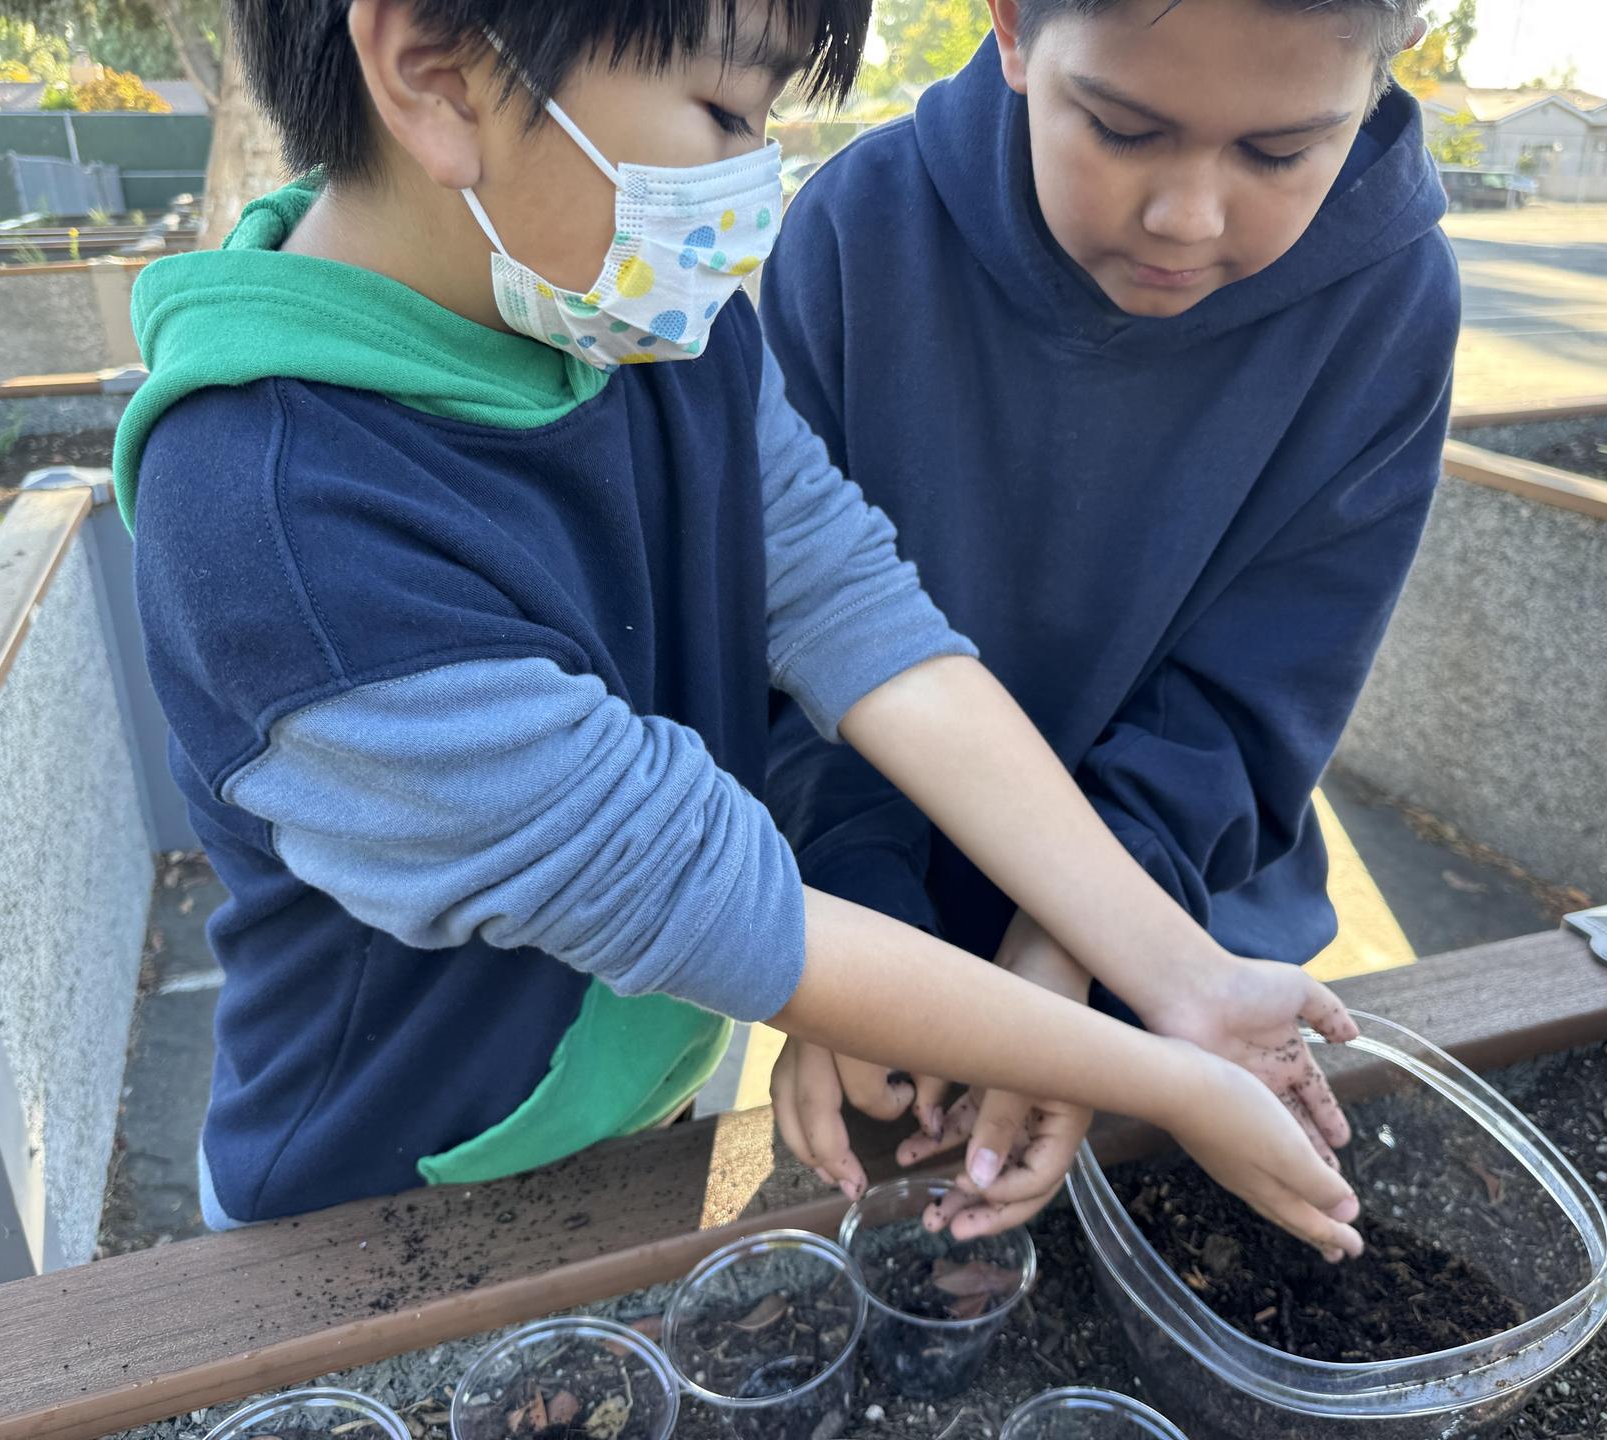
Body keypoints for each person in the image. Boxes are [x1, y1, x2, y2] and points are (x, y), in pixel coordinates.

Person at [119, 0, 1365, 1259]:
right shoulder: (279, 525)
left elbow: (855, 610)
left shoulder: (649, 333)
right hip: (369, 1203)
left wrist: (1183, 977)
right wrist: (1168, 1075)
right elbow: (703, 893)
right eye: (724, 113)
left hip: (629, 1120)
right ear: (438, 73)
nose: (753, 189)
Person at [761, 0, 1460, 1237]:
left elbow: (1259, 696)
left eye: (1278, 154)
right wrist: (857, 948)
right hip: (877, 938)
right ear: (1016, 31)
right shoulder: (857, 229)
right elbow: (794, 646)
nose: (1189, 216)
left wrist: (1081, 945)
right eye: (1126, 130)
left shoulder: (1391, 299)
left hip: (1191, 938)